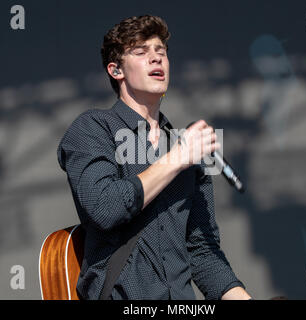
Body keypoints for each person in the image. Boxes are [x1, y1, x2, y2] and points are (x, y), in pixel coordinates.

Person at [57, 15, 252, 300]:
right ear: (115, 70)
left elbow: (203, 251)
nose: (156, 59)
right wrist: (178, 158)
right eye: (141, 52)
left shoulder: (188, 151)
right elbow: (103, 207)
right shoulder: (93, 128)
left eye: (161, 52)